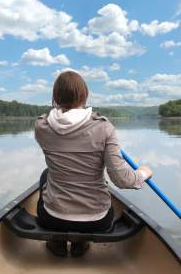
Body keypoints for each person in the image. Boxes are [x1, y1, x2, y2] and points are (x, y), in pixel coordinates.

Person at [35, 71, 152, 257]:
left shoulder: (41, 127)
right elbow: (123, 180)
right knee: (47, 175)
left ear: (55, 98)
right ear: (85, 95)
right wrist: (144, 173)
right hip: (97, 221)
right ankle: (81, 243)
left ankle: (56, 242)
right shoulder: (104, 128)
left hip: (52, 219)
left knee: (45, 175)